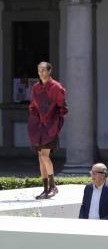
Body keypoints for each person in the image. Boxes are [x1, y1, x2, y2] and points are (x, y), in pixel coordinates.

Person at [28, 61, 67, 200]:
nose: (41, 73)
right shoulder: (36, 87)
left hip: (50, 127)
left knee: (45, 155)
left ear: (50, 71)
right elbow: (33, 105)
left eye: (44, 70)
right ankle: (45, 189)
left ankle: (53, 186)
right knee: (40, 157)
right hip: (38, 127)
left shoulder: (56, 87)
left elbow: (63, 108)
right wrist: (34, 119)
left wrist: (55, 123)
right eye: (39, 70)